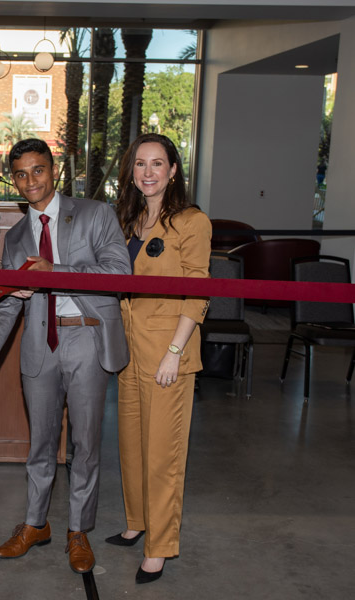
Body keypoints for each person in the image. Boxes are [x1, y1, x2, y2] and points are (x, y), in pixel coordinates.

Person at [0, 138, 130, 574]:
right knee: (39, 445)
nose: (30, 181)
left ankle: (79, 531)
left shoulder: (96, 213)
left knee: (85, 444)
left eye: (38, 170)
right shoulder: (17, 235)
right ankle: (36, 524)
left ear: (53, 170)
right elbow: (8, 303)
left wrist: (54, 271)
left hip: (86, 340)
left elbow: (118, 273)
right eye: (20, 174)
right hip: (40, 348)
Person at [108, 133, 210, 584]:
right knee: (131, 445)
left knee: (163, 454)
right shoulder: (129, 219)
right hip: (130, 348)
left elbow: (199, 290)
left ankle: (160, 547)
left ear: (172, 170)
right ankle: (137, 521)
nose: (148, 172)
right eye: (140, 164)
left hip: (168, 353)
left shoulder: (191, 221)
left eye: (157, 164)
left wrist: (175, 352)